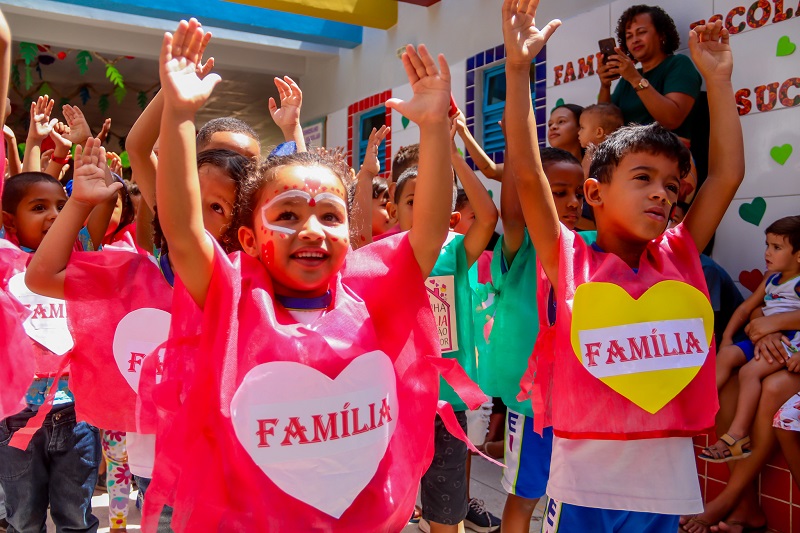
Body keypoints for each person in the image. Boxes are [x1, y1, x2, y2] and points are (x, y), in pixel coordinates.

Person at [143, 20, 464, 531]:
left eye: (330, 216)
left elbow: (426, 234)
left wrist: (432, 132)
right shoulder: (230, 296)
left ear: (349, 234)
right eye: (288, 215)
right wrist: (179, 114)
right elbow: (182, 229)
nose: (311, 229)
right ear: (248, 240)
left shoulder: (369, 289)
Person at [502, 1, 742, 531]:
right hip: (581, 480)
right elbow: (525, 176)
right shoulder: (567, 255)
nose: (662, 193)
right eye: (642, 178)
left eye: (671, 185)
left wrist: (719, 81)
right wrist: (518, 71)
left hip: (665, 482)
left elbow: (725, 175)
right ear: (595, 191)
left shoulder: (679, 254)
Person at [387, 144, 498, 533]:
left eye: (435, 202)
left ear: (452, 218)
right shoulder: (384, 253)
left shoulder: (456, 251)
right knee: (387, 509)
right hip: (393, 406)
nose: (424, 211)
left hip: (445, 407)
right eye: (414, 201)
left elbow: (487, 216)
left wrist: (453, 158)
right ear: (392, 210)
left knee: (446, 514)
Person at [486, 146, 593, 533]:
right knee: (525, 497)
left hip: (584, 406)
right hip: (535, 408)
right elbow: (514, 210)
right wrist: (516, 146)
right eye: (559, 192)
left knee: (573, 500)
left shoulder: (593, 245)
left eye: (578, 192)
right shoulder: (522, 242)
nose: (572, 202)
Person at [0, 171, 102, 533]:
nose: (56, 215)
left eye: (63, 206)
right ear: (9, 220)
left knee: (75, 516)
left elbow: (96, 219)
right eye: (39, 207)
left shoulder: (80, 264)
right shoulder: (4, 266)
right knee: (23, 519)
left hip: (77, 415)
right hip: (16, 421)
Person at [701, 216, 800, 462]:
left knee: (748, 373)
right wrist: (725, 339)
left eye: (777, 248)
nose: (768, 252)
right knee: (726, 355)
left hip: (790, 343)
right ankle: (697, 410)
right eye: (767, 245)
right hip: (762, 336)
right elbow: (746, 309)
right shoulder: (771, 278)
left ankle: (737, 436)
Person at [597, 4, 701, 142]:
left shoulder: (678, 64)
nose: (635, 40)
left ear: (661, 35)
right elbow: (603, 125)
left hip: (668, 154)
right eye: (629, 36)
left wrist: (635, 79)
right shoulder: (628, 78)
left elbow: (671, 120)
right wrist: (605, 86)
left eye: (641, 32)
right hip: (628, 155)